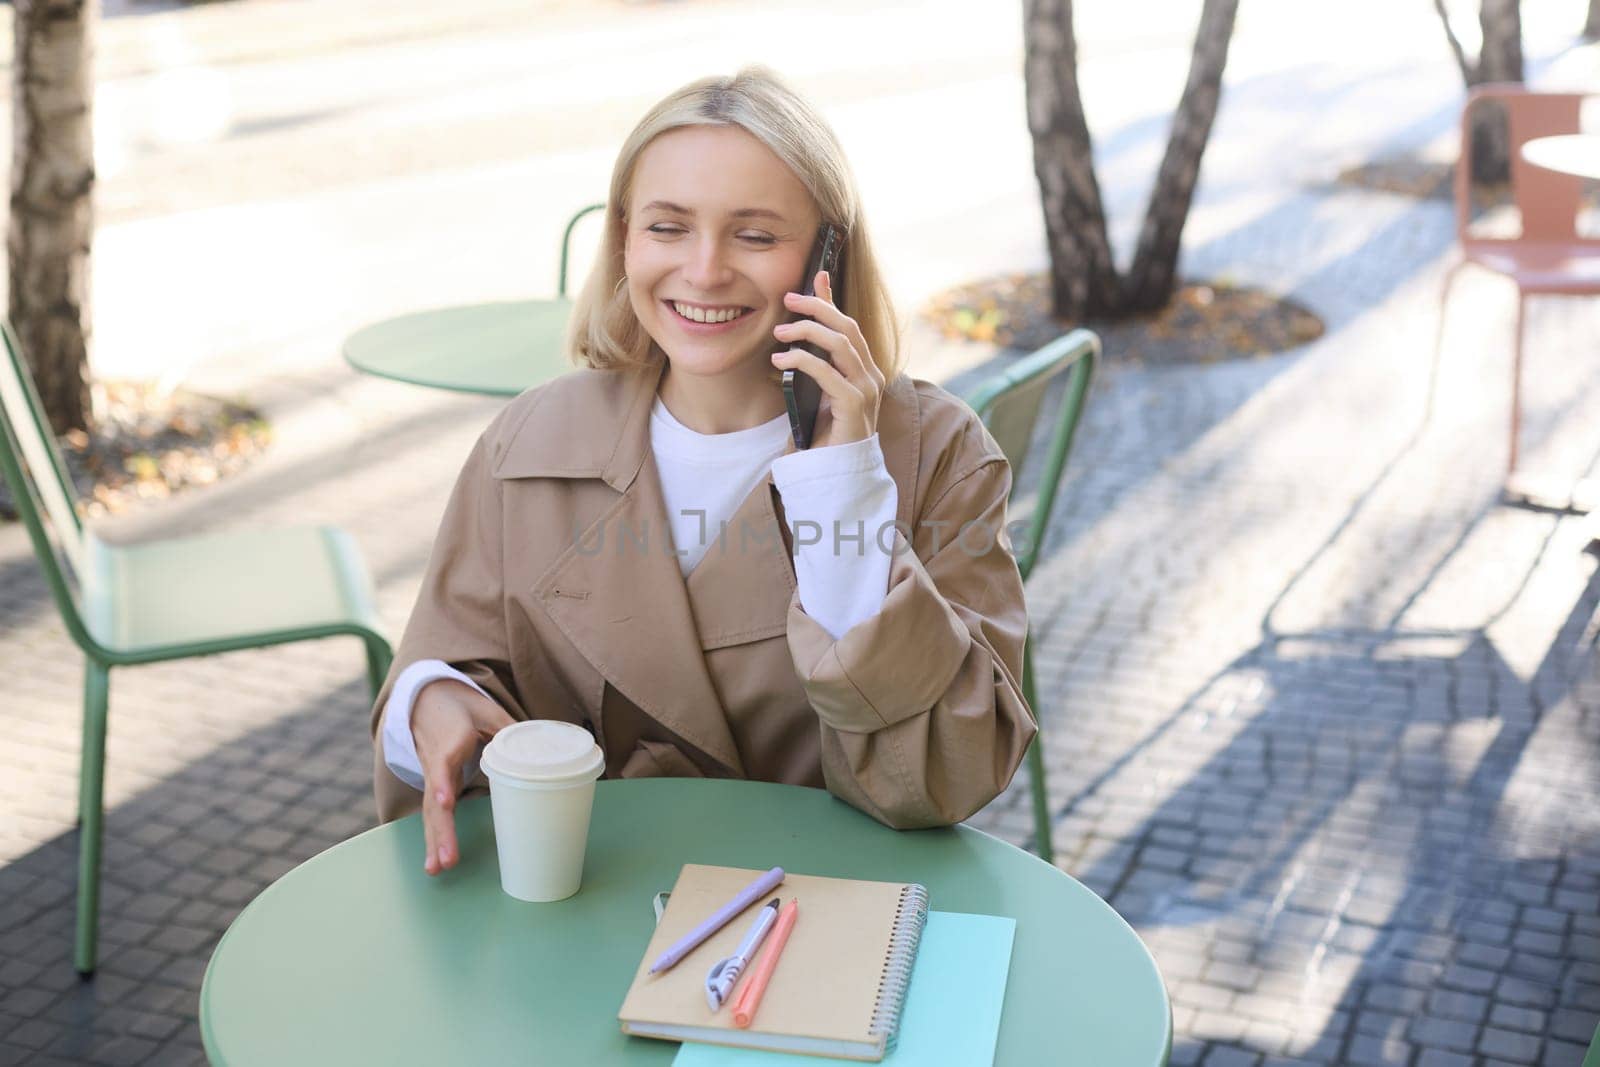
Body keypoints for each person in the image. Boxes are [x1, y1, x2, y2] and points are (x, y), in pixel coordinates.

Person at [369, 66, 1036, 876]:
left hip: (822, 925)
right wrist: (430, 701)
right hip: (582, 908)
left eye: (756, 235)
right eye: (668, 227)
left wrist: (845, 485)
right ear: (622, 239)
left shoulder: (938, 456)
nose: (706, 269)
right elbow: (451, 662)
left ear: (829, 252)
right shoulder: (527, 444)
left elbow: (953, 771)